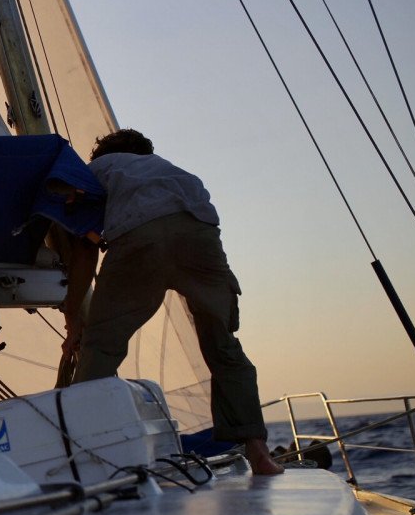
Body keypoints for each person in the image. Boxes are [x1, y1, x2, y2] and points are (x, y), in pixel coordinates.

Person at [62, 128, 283, 475]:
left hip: (138, 240)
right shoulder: (170, 170)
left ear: (102, 154)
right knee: (223, 346)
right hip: (198, 235)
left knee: (101, 347)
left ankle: (84, 457)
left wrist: (74, 316)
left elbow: (84, 250)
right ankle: (258, 453)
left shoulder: (98, 170)